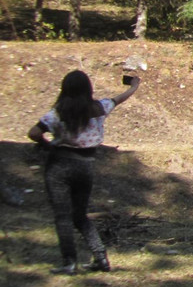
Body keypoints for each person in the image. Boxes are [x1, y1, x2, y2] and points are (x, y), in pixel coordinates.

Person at [27, 70, 141, 274]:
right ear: (88, 89)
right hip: (86, 165)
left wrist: (47, 144)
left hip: (60, 165)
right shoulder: (99, 108)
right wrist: (134, 86)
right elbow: (119, 99)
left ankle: (69, 262)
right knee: (80, 215)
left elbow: (34, 133)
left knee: (63, 215)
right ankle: (100, 258)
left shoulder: (58, 113)